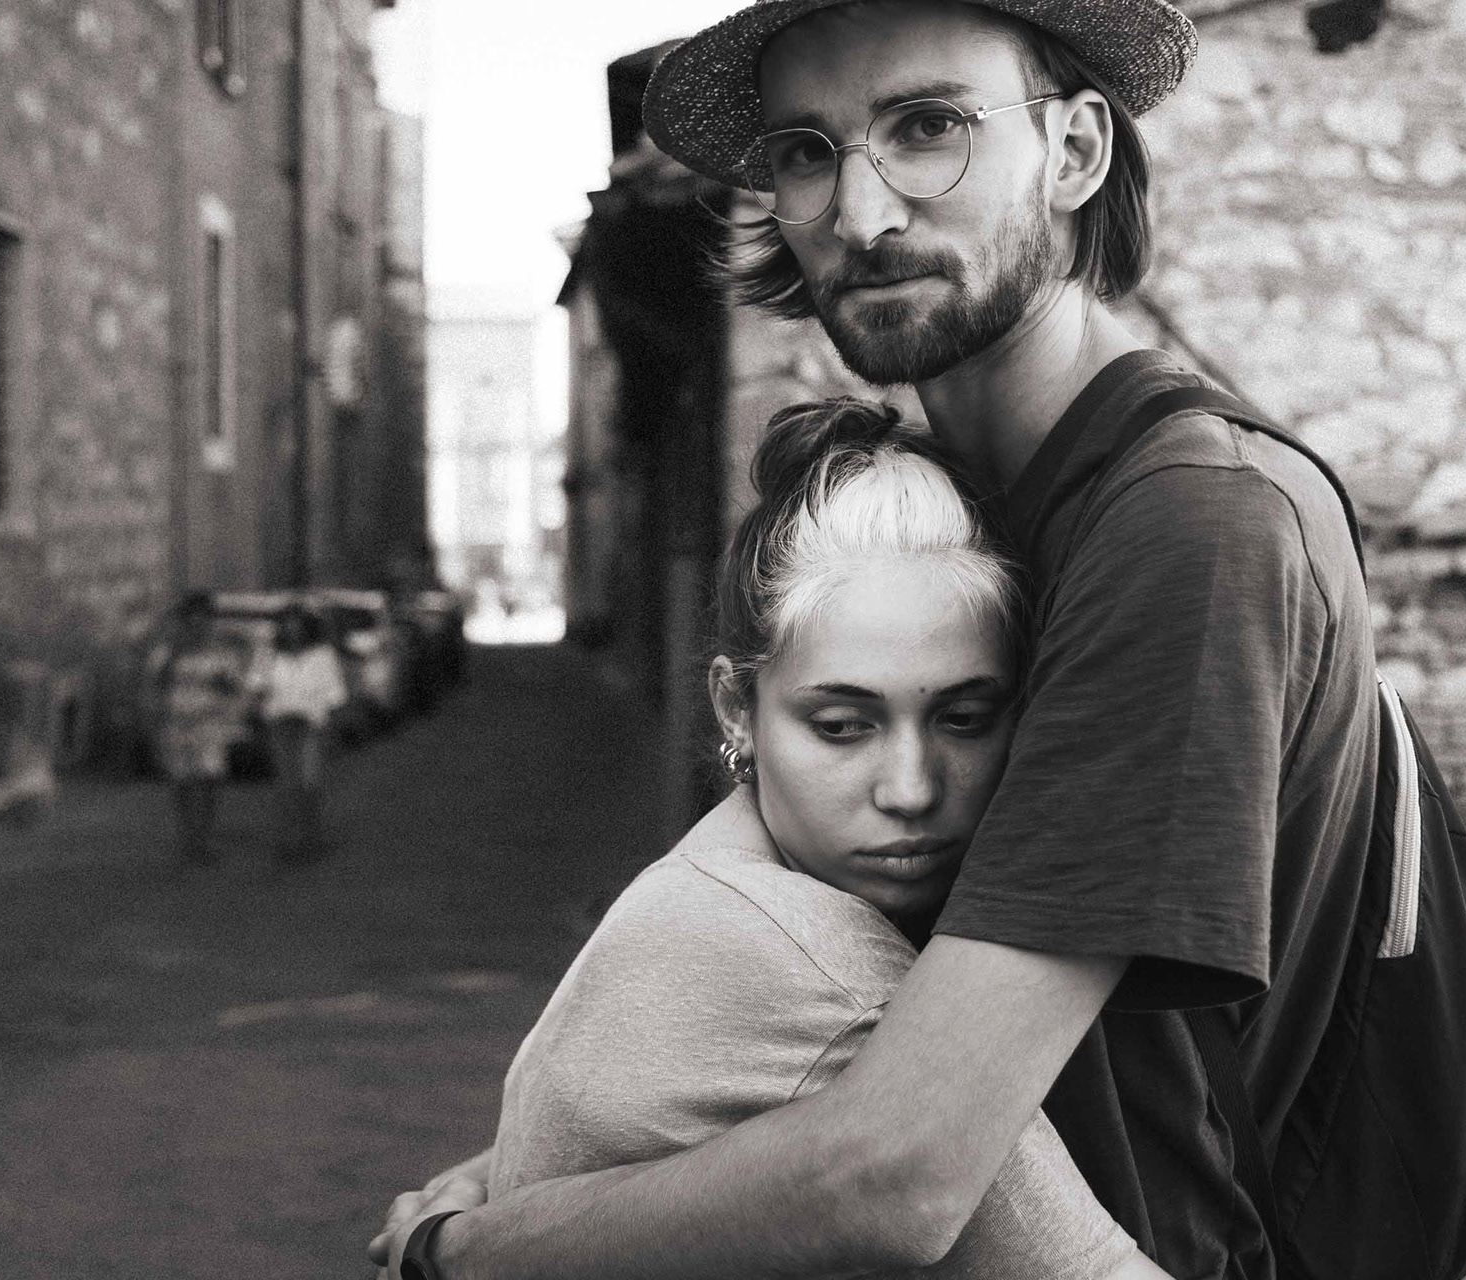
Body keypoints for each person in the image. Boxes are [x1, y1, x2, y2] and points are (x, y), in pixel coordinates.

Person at [373, 0, 1381, 1277]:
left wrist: (466, 1249)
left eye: (928, 126)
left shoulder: (1187, 522)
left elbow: (898, 1171)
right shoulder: (955, 500)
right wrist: (571, 1166)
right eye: (807, 150)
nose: (859, 213)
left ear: (1075, 152)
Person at [408, 400, 1171, 1280]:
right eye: (842, 726)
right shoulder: (815, 961)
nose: (912, 790)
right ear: (737, 707)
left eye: (964, 719)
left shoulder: (706, 884)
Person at [157, 592, 261, 863]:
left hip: (210, 723)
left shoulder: (221, 652)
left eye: (202, 617)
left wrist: (222, 684)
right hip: (177, 723)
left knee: (208, 779)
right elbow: (157, 683)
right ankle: (187, 838)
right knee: (182, 781)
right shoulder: (169, 651)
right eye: (191, 617)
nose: (197, 623)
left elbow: (235, 687)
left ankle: (203, 838)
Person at [261, 604, 349, 858]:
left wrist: (331, 729)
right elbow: (257, 687)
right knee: (286, 785)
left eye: (296, 624)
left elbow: (335, 695)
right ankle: (288, 840)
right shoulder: (269, 656)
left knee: (309, 783)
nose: (292, 630)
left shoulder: (323, 656)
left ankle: (310, 837)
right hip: (281, 725)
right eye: (287, 625)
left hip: (311, 726)